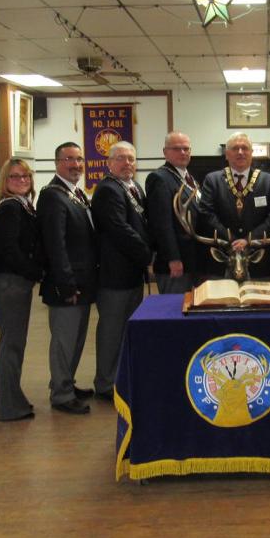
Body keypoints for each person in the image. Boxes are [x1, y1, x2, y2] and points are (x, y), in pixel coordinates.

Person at [36, 142, 98, 415]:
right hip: (67, 284)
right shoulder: (52, 195)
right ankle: (61, 394)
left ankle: (67, 383)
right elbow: (55, 245)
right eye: (69, 159)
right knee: (63, 340)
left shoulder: (76, 194)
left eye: (79, 159)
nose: (76, 165)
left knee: (76, 339)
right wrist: (66, 283)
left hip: (84, 282)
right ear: (57, 163)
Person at [92, 141, 153, 401]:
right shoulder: (107, 190)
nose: (127, 163)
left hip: (131, 274)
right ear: (109, 163)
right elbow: (119, 230)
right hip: (114, 276)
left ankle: (120, 378)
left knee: (127, 330)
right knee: (111, 331)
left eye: (131, 159)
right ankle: (105, 383)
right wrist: (147, 254)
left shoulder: (134, 187)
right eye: (120, 159)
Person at [0, 158, 42, 422]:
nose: (22, 180)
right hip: (9, 282)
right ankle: (9, 406)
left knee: (14, 343)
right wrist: (37, 273)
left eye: (26, 176)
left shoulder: (23, 206)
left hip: (16, 281)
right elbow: (9, 250)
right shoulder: (10, 208)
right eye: (14, 177)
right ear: (4, 181)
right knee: (11, 344)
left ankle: (13, 398)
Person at [198, 132, 270, 280]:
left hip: (260, 263)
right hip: (221, 262)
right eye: (235, 148)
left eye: (245, 148)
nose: (240, 152)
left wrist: (249, 240)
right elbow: (206, 214)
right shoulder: (212, 180)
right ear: (226, 154)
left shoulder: (268, 181)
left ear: (251, 153)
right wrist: (231, 239)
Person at [145, 131, 199, 294]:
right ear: (165, 152)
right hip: (175, 264)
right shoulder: (160, 178)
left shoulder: (189, 179)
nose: (182, 153)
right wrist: (173, 258)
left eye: (186, 149)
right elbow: (161, 224)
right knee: (176, 313)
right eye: (176, 149)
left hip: (192, 260)